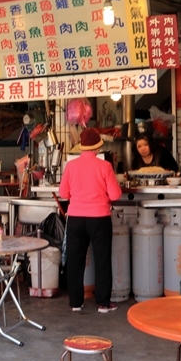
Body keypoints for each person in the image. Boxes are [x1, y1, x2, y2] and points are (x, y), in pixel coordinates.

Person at [58, 128, 123, 313]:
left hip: (76, 219)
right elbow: (115, 194)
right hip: (99, 218)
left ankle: (76, 303)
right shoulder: (105, 167)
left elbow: (63, 193)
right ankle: (103, 303)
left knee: (75, 260)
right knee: (102, 260)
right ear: (97, 148)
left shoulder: (71, 166)